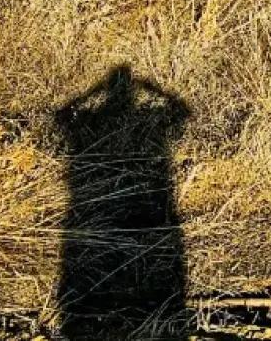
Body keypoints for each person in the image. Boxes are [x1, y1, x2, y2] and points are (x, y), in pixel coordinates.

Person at [54, 65, 190, 340]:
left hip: (98, 204)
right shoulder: (145, 121)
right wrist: (155, 90)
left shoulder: (94, 122)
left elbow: (62, 116)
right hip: (145, 197)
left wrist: (92, 93)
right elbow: (181, 112)